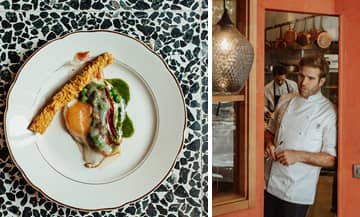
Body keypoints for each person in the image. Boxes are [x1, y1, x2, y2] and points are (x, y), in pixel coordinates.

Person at [264, 56, 337, 217]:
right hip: (268, 182)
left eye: (311, 78)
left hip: (296, 191)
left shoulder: (328, 112)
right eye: (301, 76)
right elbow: (270, 131)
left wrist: (298, 156)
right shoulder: (285, 100)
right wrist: (269, 143)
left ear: (321, 81)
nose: (303, 82)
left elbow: (331, 158)